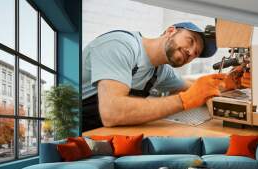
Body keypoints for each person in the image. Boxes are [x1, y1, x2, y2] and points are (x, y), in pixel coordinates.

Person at [82, 22, 238, 131]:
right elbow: (112, 113)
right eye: (190, 41)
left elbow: (192, 87)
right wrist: (184, 100)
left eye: (196, 53)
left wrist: (232, 83)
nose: (191, 52)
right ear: (170, 31)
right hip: (73, 131)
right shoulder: (120, 46)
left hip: (104, 131)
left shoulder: (159, 71)